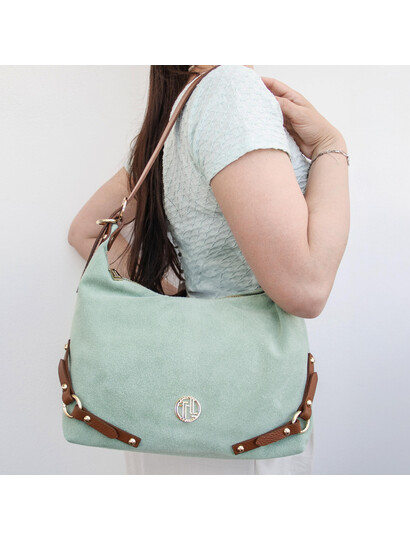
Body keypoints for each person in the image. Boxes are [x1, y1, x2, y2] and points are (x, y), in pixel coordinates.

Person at [68, 65, 350, 475]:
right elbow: (307, 289)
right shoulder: (229, 93)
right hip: (245, 410)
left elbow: (84, 230)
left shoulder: (176, 114)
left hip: (159, 408)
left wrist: (165, 297)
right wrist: (330, 147)